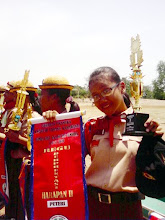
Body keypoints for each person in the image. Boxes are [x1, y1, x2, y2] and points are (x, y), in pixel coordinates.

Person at [84, 66, 164, 220]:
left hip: (128, 210)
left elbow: (156, 170)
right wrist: (51, 121)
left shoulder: (145, 126)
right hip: (93, 207)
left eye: (106, 91)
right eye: (95, 95)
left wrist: (156, 140)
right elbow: (66, 154)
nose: (101, 99)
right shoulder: (92, 128)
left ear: (121, 87)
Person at [4, 80, 41, 220]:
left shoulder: (35, 117)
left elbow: (39, 145)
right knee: (14, 193)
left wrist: (18, 140)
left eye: (17, 95)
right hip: (15, 163)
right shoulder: (19, 115)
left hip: (26, 166)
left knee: (24, 198)